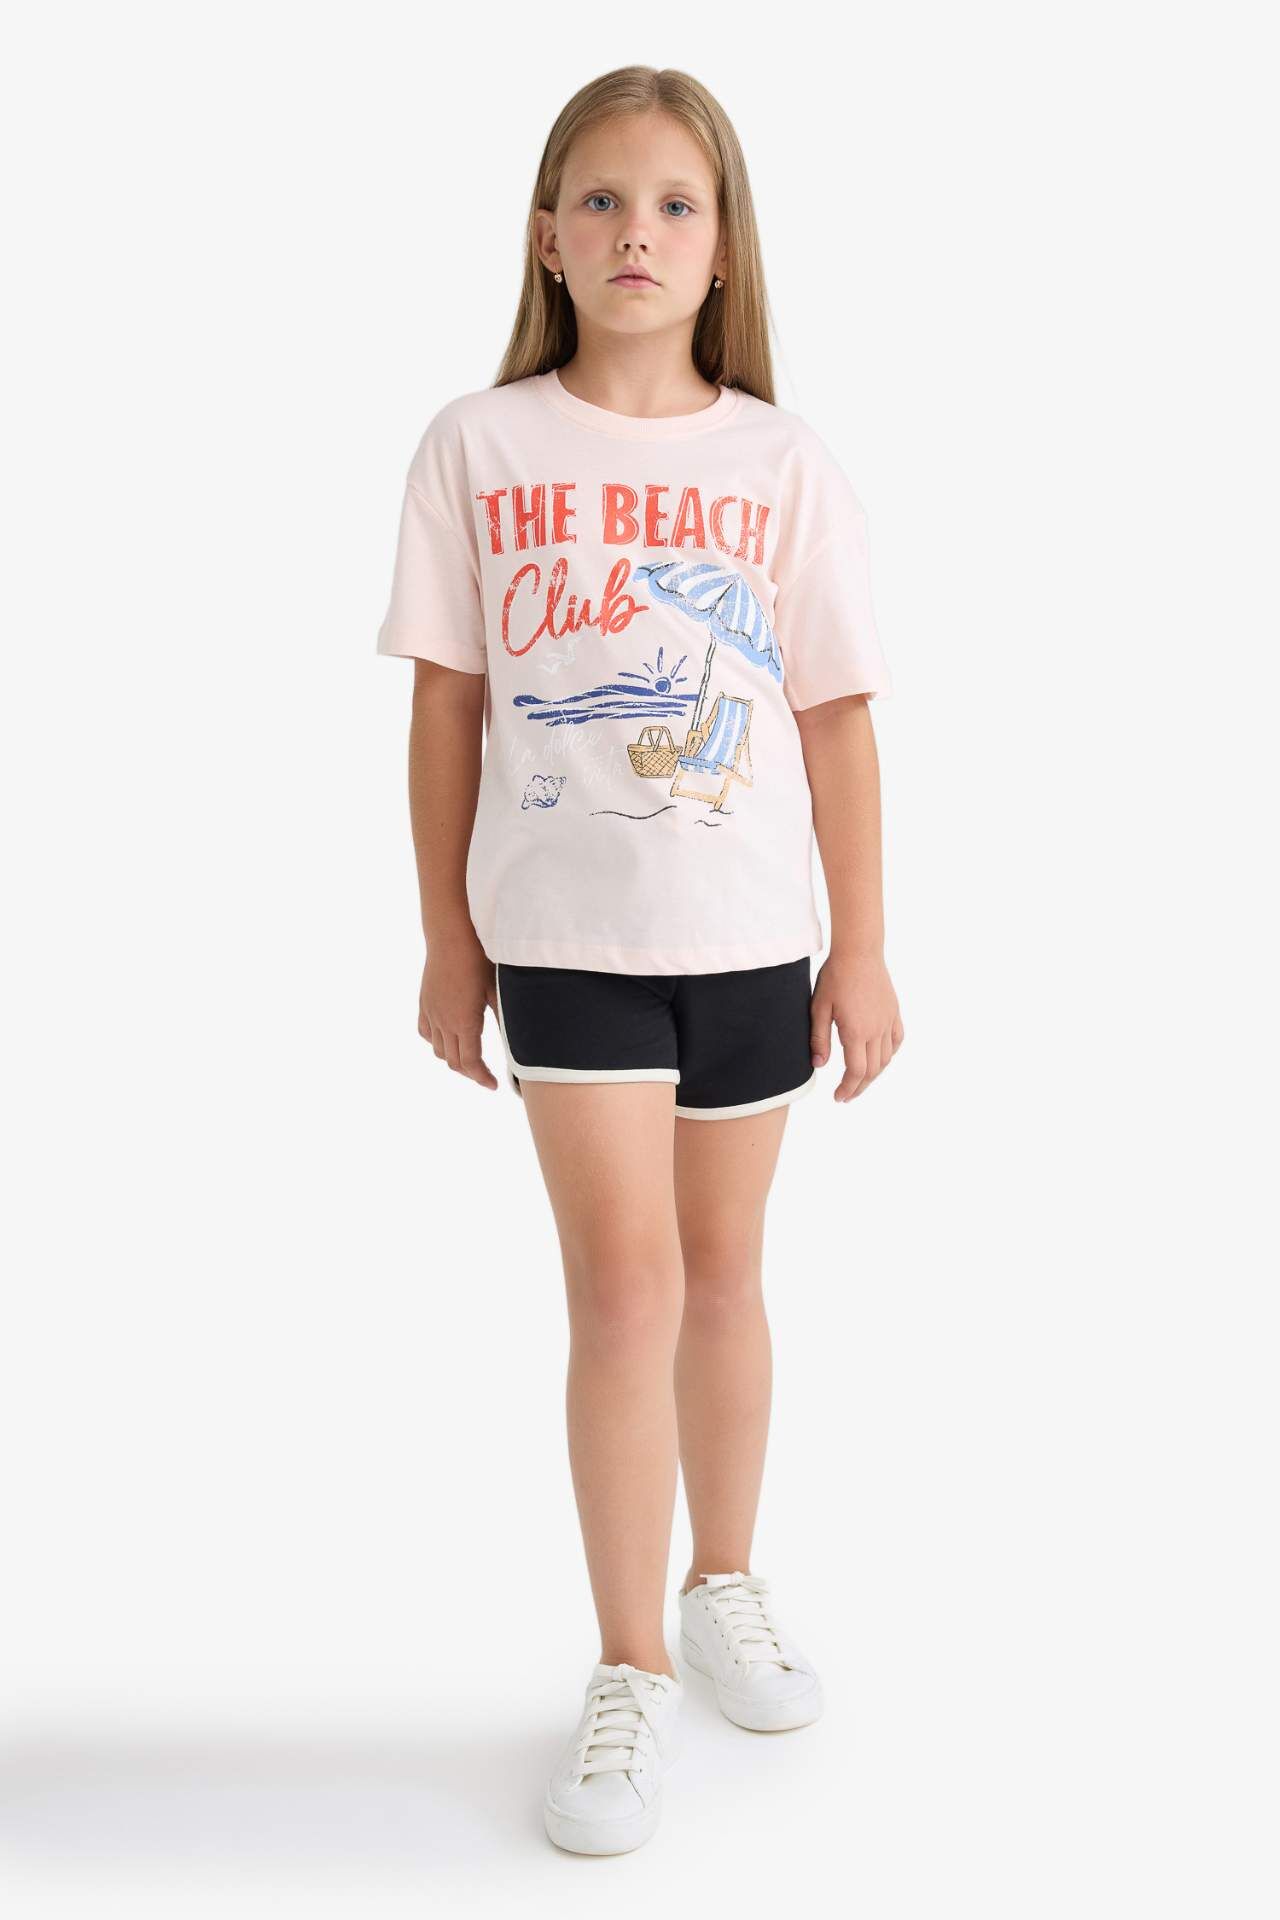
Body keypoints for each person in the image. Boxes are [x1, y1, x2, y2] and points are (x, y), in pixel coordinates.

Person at [376, 65, 903, 1856]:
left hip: (752, 934)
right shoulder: (480, 445)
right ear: (546, 235)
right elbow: (448, 706)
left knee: (727, 1277)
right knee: (624, 1293)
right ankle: (627, 1669)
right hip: (568, 941)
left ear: (724, 245)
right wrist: (447, 938)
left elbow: (835, 718)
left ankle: (723, 1579)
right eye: (600, 199)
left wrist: (864, 948)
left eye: (676, 204)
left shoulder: (781, 462)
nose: (635, 233)